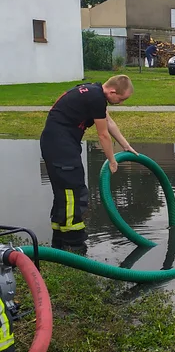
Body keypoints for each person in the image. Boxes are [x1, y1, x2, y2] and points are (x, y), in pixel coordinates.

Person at [40, 75, 135, 252]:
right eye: (121, 99)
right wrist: (112, 160)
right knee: (73, 193)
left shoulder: (93, 91)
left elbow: (109, 122)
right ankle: (73, 243)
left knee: (64, 194)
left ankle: (59, 243)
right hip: (61, 147)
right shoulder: (96, 97)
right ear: (112, 91)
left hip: (57, 145)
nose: (121, 103)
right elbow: (103, 135)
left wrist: (126, 145)